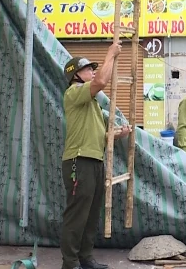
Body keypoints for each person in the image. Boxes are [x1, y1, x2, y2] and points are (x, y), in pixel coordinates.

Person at [61, 43, 131, 269]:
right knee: (77, 215)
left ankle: (86, 258)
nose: (92, 71)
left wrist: (120, 134)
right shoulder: (73, 93)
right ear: (76, 75)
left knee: (91, 215)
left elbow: (103, 136)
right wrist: (110, 53)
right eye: (88, 69)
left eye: (93, 68)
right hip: (78, 161)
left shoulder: (92, 105)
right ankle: (70, 263)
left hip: (95, 160)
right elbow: (101, 81)